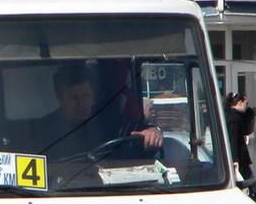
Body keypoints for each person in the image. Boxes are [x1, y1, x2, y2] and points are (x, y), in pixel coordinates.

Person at [30, 62, 163, 159]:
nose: (81, 103)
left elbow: (136, 131)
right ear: (59, 98)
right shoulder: (43, 130)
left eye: (86, 95)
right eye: (73, 97)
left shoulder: (109, 120)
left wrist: (151, 132)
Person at [223, 92, 256, 180]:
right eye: (246, 104)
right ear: (240, 102)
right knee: (249, 182)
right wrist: (235, 159)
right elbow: (233, 140)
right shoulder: (234, 118)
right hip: (239, 160)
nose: (246, 106)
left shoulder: (232, 116)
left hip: (239, 159)